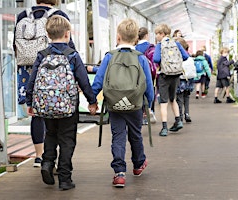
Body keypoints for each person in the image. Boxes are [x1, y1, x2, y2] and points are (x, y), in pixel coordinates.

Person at [26, 15, 98, 190]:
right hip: (68, 107)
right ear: (67, 34)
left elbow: (33, 80)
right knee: (67, 140)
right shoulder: (72, 55)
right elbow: (83, 80)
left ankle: (47, 163)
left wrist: (30, 102)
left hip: (46, 106)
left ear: (48, 35)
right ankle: (65, 179)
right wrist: (92, 101)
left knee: (50, 134)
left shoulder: (42, 55)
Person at [92, 18, 154, 188]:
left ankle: (119, 173)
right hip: (135, 103)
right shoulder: (141, 58)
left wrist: (92, 100)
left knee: (118, 136)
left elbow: (99, 80)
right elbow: (148, 83)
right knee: (136, 134)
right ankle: (138, 164)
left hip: (114, 103)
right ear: (136, 39)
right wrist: (149, 102)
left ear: (117, 37)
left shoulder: (109, 56)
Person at [13, 0, 75, 167]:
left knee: (36, 112)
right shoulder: (58, 16)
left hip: (27, 69)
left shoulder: (23, 15)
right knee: (55, 109)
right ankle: (53, 156)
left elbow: (15, 45)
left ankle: (39, 156)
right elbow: (68, 46)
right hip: (52, 67)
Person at [153, 24, 189, 137]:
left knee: (163, 102)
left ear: (162, 34)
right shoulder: (176, 43)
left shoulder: (160, 45)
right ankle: (178, 120)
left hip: (164, 75)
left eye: (157, 34)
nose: (156, 36)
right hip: (176, 74)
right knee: (173, 99)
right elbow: (186, 56)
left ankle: (164, 128)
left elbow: (156, 59)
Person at [135, 27, 157, 124]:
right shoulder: (152, 48)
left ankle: (139, 116)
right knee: (149, 92)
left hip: (135, 76)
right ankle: (149, 112)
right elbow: (154, 63)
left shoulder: (134, 48)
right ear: (147, 35)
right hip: (148, 75)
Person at [175, 37, 196, 123]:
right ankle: (187, 113)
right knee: (186, 97)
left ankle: (179, 116)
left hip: (180, 79)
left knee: (179, 98)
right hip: (189, 79)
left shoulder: (177, 55)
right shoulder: (188, 55)